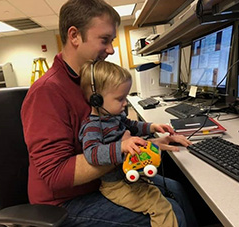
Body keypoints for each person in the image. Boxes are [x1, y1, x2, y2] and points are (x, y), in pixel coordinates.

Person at [21, 0, 198, 226]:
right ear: (74, 36)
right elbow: (56, 175)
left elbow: (113, 131)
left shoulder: (93, 81)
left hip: (105, 181)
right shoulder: (47, 92)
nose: (112, 49)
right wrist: (124, 150)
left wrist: (151, 143)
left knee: (176, 189)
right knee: (170, 210)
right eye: (104, 40)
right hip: (66, 202)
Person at [79, 60, 181, 227]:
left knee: (161, 193)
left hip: (130, 178)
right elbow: (92, 153)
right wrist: (121, 146)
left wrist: (152, 127)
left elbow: (132, 125)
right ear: (96, 100)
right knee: (161, 207)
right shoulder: (92, 127)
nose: (125, 103)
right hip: (116, 186)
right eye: (120, 98)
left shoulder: (114, 117)